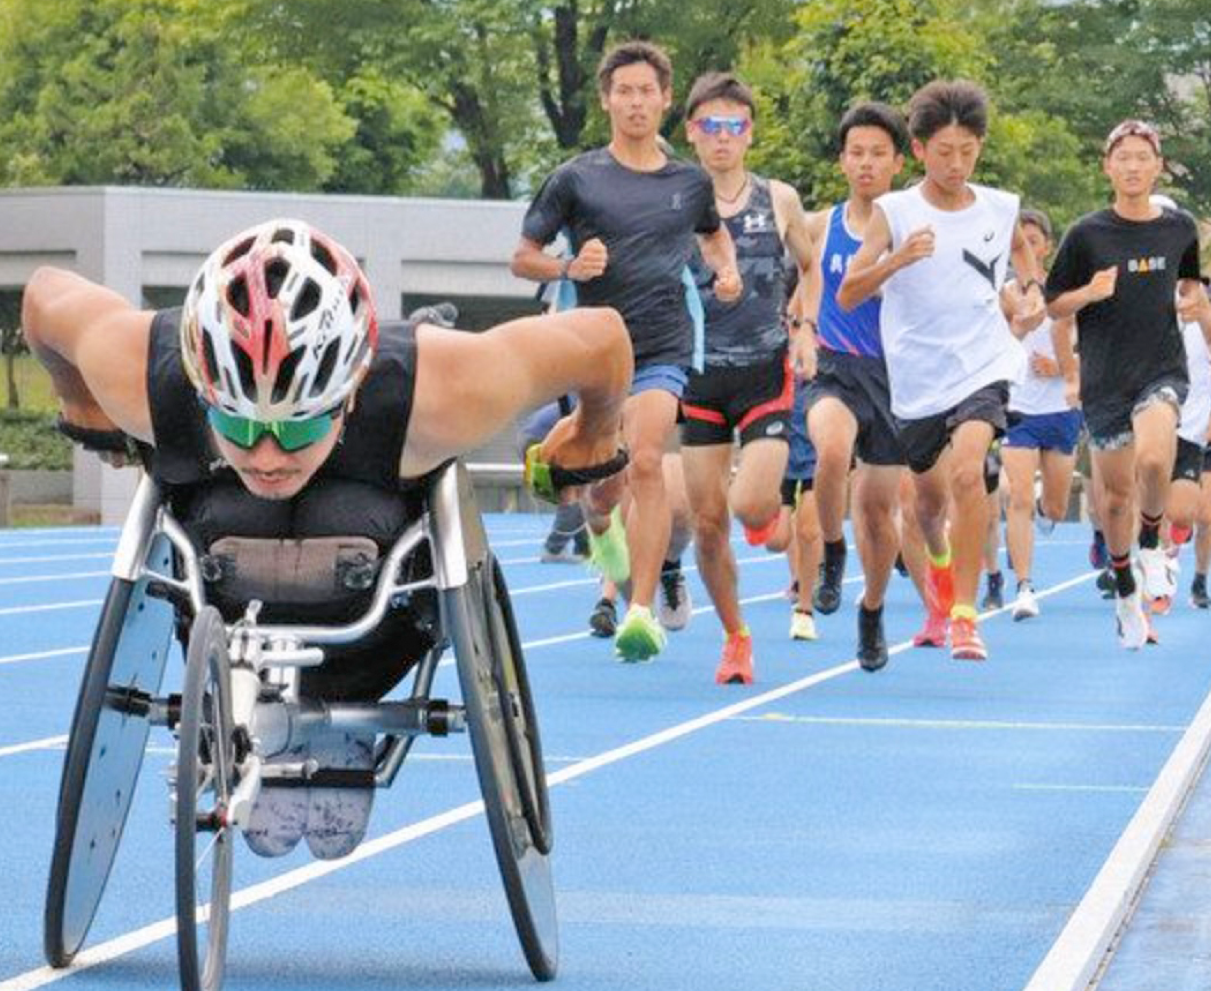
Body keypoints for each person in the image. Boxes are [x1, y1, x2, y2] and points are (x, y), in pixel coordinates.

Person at [23, 217, 632, 859]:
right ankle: (253, 703)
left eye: (296, 430)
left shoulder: (443, 388)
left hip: (378, 609)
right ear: (202, 391)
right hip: (221, 596)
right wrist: (80, 398)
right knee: (237, 508)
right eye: (238, 423)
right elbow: (43, 296)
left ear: (346, 397)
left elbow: (602, 341)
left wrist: (595, 432)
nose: (265, 455)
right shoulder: (139, 371)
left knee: (346, 503)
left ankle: (347, 708)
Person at [511, 40, 741, 663]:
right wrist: (568, 263)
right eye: (625, 91)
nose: (637, 102)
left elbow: (715, 239)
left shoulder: (690, 183)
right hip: (595, 352)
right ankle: (599, 526)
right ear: (607, 100)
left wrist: (727, 272)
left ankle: (640, 612)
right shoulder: (576, 179)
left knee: (645, 462)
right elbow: (521, 257)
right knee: (605, 483)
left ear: (666, 100)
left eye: (648, 91)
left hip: (665, 344)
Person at [838, 79, 1046, 662]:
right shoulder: (895, 212)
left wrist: (1029, 290)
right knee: (927, 505)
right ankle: (937, 568)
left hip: (983, 362)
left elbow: (1022, 252)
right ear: (921, 148)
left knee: (967, 472)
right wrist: (897, 258)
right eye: (944, 152)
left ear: (979, 146)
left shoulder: (1000, 205)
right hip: (918, 379)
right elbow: (851, 292)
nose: (956, 164)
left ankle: (964, 614)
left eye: (968, 151)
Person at [1046, 119, 1208, 648]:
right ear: (1108, 166)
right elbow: (1054, 305)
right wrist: (1088, 293)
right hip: (1105, 380)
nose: (1134, 166)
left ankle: (1153, 546)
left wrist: (1189, 303)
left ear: (1158, 165)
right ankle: (1123, 588)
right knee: (1114, 498)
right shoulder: (1086, 234)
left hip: (1160, 370)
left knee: (1156, 462)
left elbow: (1186, 282)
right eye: (1124, 157)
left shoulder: (1179, 227)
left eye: (1143, 157)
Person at [679, 71, 815, 685]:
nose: (723, 137)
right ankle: (736, 636)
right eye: (711, 126)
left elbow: (810, 269)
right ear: (692, 133)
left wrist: (805, 326)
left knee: (750, 502)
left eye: (735, 125)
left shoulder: (777, 197)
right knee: (708, 524)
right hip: (699, 376)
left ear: (750, 133)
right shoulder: (675, 199)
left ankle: (768, 517)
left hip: (764, 369)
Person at [800, 101, 914, 672]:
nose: (866, 164)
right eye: (856, 153)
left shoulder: (914, 227)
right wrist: (798, 327)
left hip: (893, 380)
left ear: (898, 161)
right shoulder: (822, 225)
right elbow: (799, 279)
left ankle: (872, 609)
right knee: (832, 450)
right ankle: (832, 551)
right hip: (834, 368)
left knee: (877, 513)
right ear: (843, 160)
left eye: (878, 154)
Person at [1000, 208, 1083, 621]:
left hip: (1061, 410)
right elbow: (992, 343)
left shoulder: (1066, 292)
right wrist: (1015, 327)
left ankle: (1041, 501)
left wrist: (1064, 369)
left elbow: (1091, 350)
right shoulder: (1005, 293)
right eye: (1021, 242)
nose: (1028, 249)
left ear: (1047, 246)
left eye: (1035, 241)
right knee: (1017, 500)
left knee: (1053, 506)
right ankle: (1024, 586)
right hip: (1019, 408)